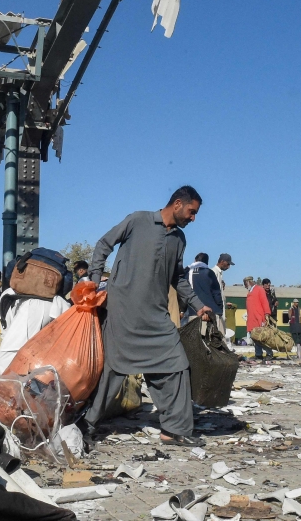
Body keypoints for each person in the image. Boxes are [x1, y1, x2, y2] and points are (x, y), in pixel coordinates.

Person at [83, 186, 213, 447]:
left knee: (176, 365)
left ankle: (174, 430)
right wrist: (94, 281)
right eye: (192, 212)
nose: (193, 218)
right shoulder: (138, 220)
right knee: (113, 370)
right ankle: (85, 425)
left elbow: (177, 277)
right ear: (177, 204)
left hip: (156, 317)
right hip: (123, 313)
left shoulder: (179, 240)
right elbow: (103, 245)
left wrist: (198, 305)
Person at [186, 253, 224, 325]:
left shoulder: (187, 273)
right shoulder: (209, 273)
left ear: (195, 260)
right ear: (207, 262)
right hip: (210, 313)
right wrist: (219, 310)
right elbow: (216, 293)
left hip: (192, 312)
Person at [245, 276, 272, 361]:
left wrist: (267, 314)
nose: (245, 286)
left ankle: (269, 353)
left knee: (261, 338)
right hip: (252, 319)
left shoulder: (259, 289)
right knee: (255, 337)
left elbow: (264, 302)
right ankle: (258, 354)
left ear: (248, 282)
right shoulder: (251, 291)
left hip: (259, 318)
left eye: (245, 284)